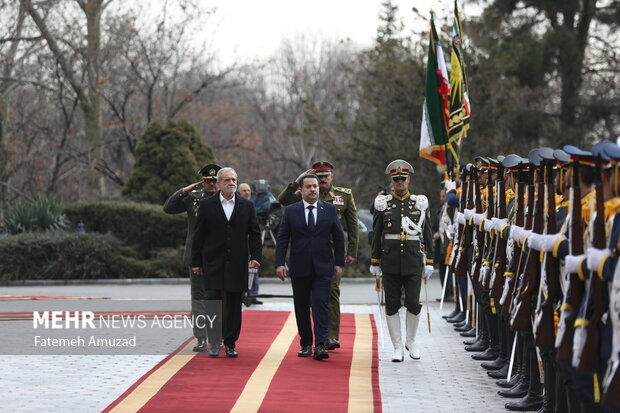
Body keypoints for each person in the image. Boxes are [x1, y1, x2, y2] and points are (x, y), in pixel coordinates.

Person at [278, 161, 358, 350]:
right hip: (301, 262)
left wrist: (348, 254)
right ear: (303, 188)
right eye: (316, 178)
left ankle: (328, 338)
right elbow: (282, 201)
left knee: (328, 298)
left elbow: (349, 228)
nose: (319, 182)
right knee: (303, 304)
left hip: (327, 259)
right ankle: (307, 342)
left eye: (324, 178)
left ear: (331, 177)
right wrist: (296, 183)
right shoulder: (297, 200)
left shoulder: (340, 198)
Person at [191, 167, 262, 358]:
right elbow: (199, 236)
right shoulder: (207, 205)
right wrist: (196, 261)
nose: (232, 183)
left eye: (234, 180)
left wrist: (255, 257)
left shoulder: (247, 206)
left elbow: (255, 234)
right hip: (212, 263)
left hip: (238, 264)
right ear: (220, 183)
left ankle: (230, 342)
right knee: (213, 303)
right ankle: (214, 342)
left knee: (233, 305)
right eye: (228, 180)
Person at [370, 160, 434, 362]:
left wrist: (430, 261)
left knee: (414, 303)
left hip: (413, 260)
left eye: (402, 178)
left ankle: (411, 341)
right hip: (390, 261)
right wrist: (374, 261)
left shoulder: (419, 203)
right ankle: (397, 346)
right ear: (392, 180)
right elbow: (377, 233)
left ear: (409, 179)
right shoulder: (384, 204)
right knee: (391, 304)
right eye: (396, 179)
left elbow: (427, 232)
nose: (399, 182)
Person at [163, 163, 221, 352]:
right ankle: (201, 338)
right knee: (198, 298)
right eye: (207, 181)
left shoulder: (227, 200)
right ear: (202, 182)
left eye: (214, 181)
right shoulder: (193, 199)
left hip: (219, 257)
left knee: (218, 297)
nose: (211, 184)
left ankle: (218, 337)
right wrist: (188, 189)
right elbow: (168, 207)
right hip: (196, 256)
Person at [238, 182, 263, 306]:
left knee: (254, 268)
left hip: (250, 242)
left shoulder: (252, 205)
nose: (247, 192)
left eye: (248, 190)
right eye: (244, 191)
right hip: (240, 244)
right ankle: (244, 294)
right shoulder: (235, 205)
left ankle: (253, 294)